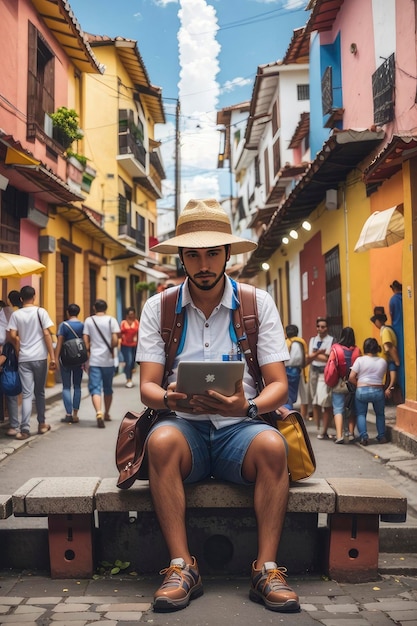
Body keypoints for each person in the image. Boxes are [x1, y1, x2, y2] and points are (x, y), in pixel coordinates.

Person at [137, 198, 299, 614]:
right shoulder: (160, 307)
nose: (203, 263)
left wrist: (247, 409)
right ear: (182, 258)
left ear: (227, 254)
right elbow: (148, 389)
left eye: (212, 253)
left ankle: (266, 568)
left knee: (273, 446)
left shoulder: (255, 303)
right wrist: (171, 397)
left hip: (240, 431)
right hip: (183, 428)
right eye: (193, 254)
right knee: (160, 442)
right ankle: (181, 566)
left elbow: (279, 385)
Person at [7, 285, 56, 439]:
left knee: (27, 394)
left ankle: (25, 429)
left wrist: (18, 343)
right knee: (39, 393)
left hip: (24, 359)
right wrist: (53, 357)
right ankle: (42, 424)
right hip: (40, 357)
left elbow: (11, 335)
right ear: (34, 297)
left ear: (21, 299)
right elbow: (47, 334)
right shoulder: (41, 312)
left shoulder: (16, 315)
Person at [83, 299, 120, 428]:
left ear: (94, 308)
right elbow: (115, 340)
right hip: (108, 360)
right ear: (106, 308)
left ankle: (98, 412)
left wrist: (87, 354)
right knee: (108, 388)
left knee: (95, 388)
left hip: (94, 360)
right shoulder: (112, 320)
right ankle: (107, 413)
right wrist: (111, 348)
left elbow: (86, 341)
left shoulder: (89, 321)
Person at [348, 337, 388, 445]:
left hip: (362, 390)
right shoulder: (383, 361)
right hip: (378, 390)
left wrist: (359, 385)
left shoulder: (360, 360)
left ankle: (364, 437)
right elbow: (385, 376)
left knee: (361, 414)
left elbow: (351, 377)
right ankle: (381, 436)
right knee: (380, 414)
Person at [327, 327, 360, 444]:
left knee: (338, 409)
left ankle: (339, 435)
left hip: (339, 384)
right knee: (352, 409)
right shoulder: (357, 350)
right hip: (352, 384)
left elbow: (331, 367)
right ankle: (351, 434)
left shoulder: (335, 349)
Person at [55, 304, 84, 424]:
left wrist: (55, 358)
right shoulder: (83, 325)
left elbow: (60, 342)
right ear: (78, 312)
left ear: (68, 312)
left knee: (66, 386)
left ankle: (68, 414)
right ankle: (76, 414)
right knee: (77, 386)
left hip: (66, 359)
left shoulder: (64, 325)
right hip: (79, 359)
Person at [306, 317, 334, 439]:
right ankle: (318, 427)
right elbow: (309, 357)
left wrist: (315, 355)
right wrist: (319, 353)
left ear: (327, 328)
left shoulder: (331, 340)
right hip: (313, 371)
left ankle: (325, 427)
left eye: (323, 327)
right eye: (318, 326)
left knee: (324, 399)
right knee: (314, 399)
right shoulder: (312, 339)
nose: (320, 329)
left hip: (325, 372)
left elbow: (328, 358)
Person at [370, 307, 400, 402]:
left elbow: (390, 348)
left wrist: (396, 361)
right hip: (388, 362)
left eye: (375, 321)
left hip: (390, 361)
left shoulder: (385, 331)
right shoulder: (387, 329)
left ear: (378, 321)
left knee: (389, 382)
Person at [284, 324, 307, 410]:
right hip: (296, 370)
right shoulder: (300, 343)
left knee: (287, 393)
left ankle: (288, 409)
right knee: (292, 393)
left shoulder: (286, 342)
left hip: (286, 369)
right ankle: (289, 408)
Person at [389, 280, 404, 399]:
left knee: (398, 364)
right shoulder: (406, 298)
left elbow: (393, 316)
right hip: (407, 330)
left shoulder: (393, 300)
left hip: (398, 332)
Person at [119, 307, 139, 388]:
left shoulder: (137, 322)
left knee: (133, 362)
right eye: (130, 314)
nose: (131, 316)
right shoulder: (123, 323)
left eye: (133, 314)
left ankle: (129, 376)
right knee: (129, 361)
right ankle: (128, 379)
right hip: (125, 345)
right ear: (127, 315)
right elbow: (119, 333)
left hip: (134, 345)